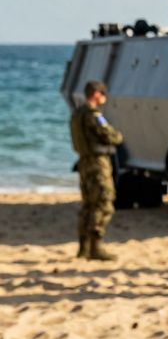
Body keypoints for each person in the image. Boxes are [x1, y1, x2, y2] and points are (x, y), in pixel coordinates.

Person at [69, 80, 123, 260]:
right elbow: (109, 135)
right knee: (104, 202)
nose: (105, 98)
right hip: (97, 162)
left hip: (84, 162)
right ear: (97, 94)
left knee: (88, 204)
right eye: (103, 94)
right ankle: (96, 245)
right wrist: (118, 137)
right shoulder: (93, 114)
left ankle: (83, 247)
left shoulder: (77, 113)